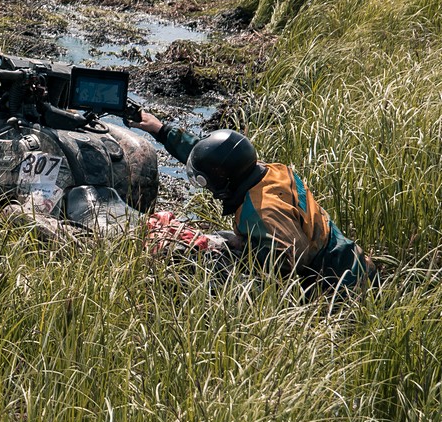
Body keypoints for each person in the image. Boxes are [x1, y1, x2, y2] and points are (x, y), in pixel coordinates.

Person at [129, 110, 377, 290]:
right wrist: (161, 130)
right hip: (350, 260)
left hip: (340, 286)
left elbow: (289, 268)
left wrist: (232, 258)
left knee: (206, 271)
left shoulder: (262, 212)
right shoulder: (270, 172)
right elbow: (216, 157)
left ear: (223, 182)